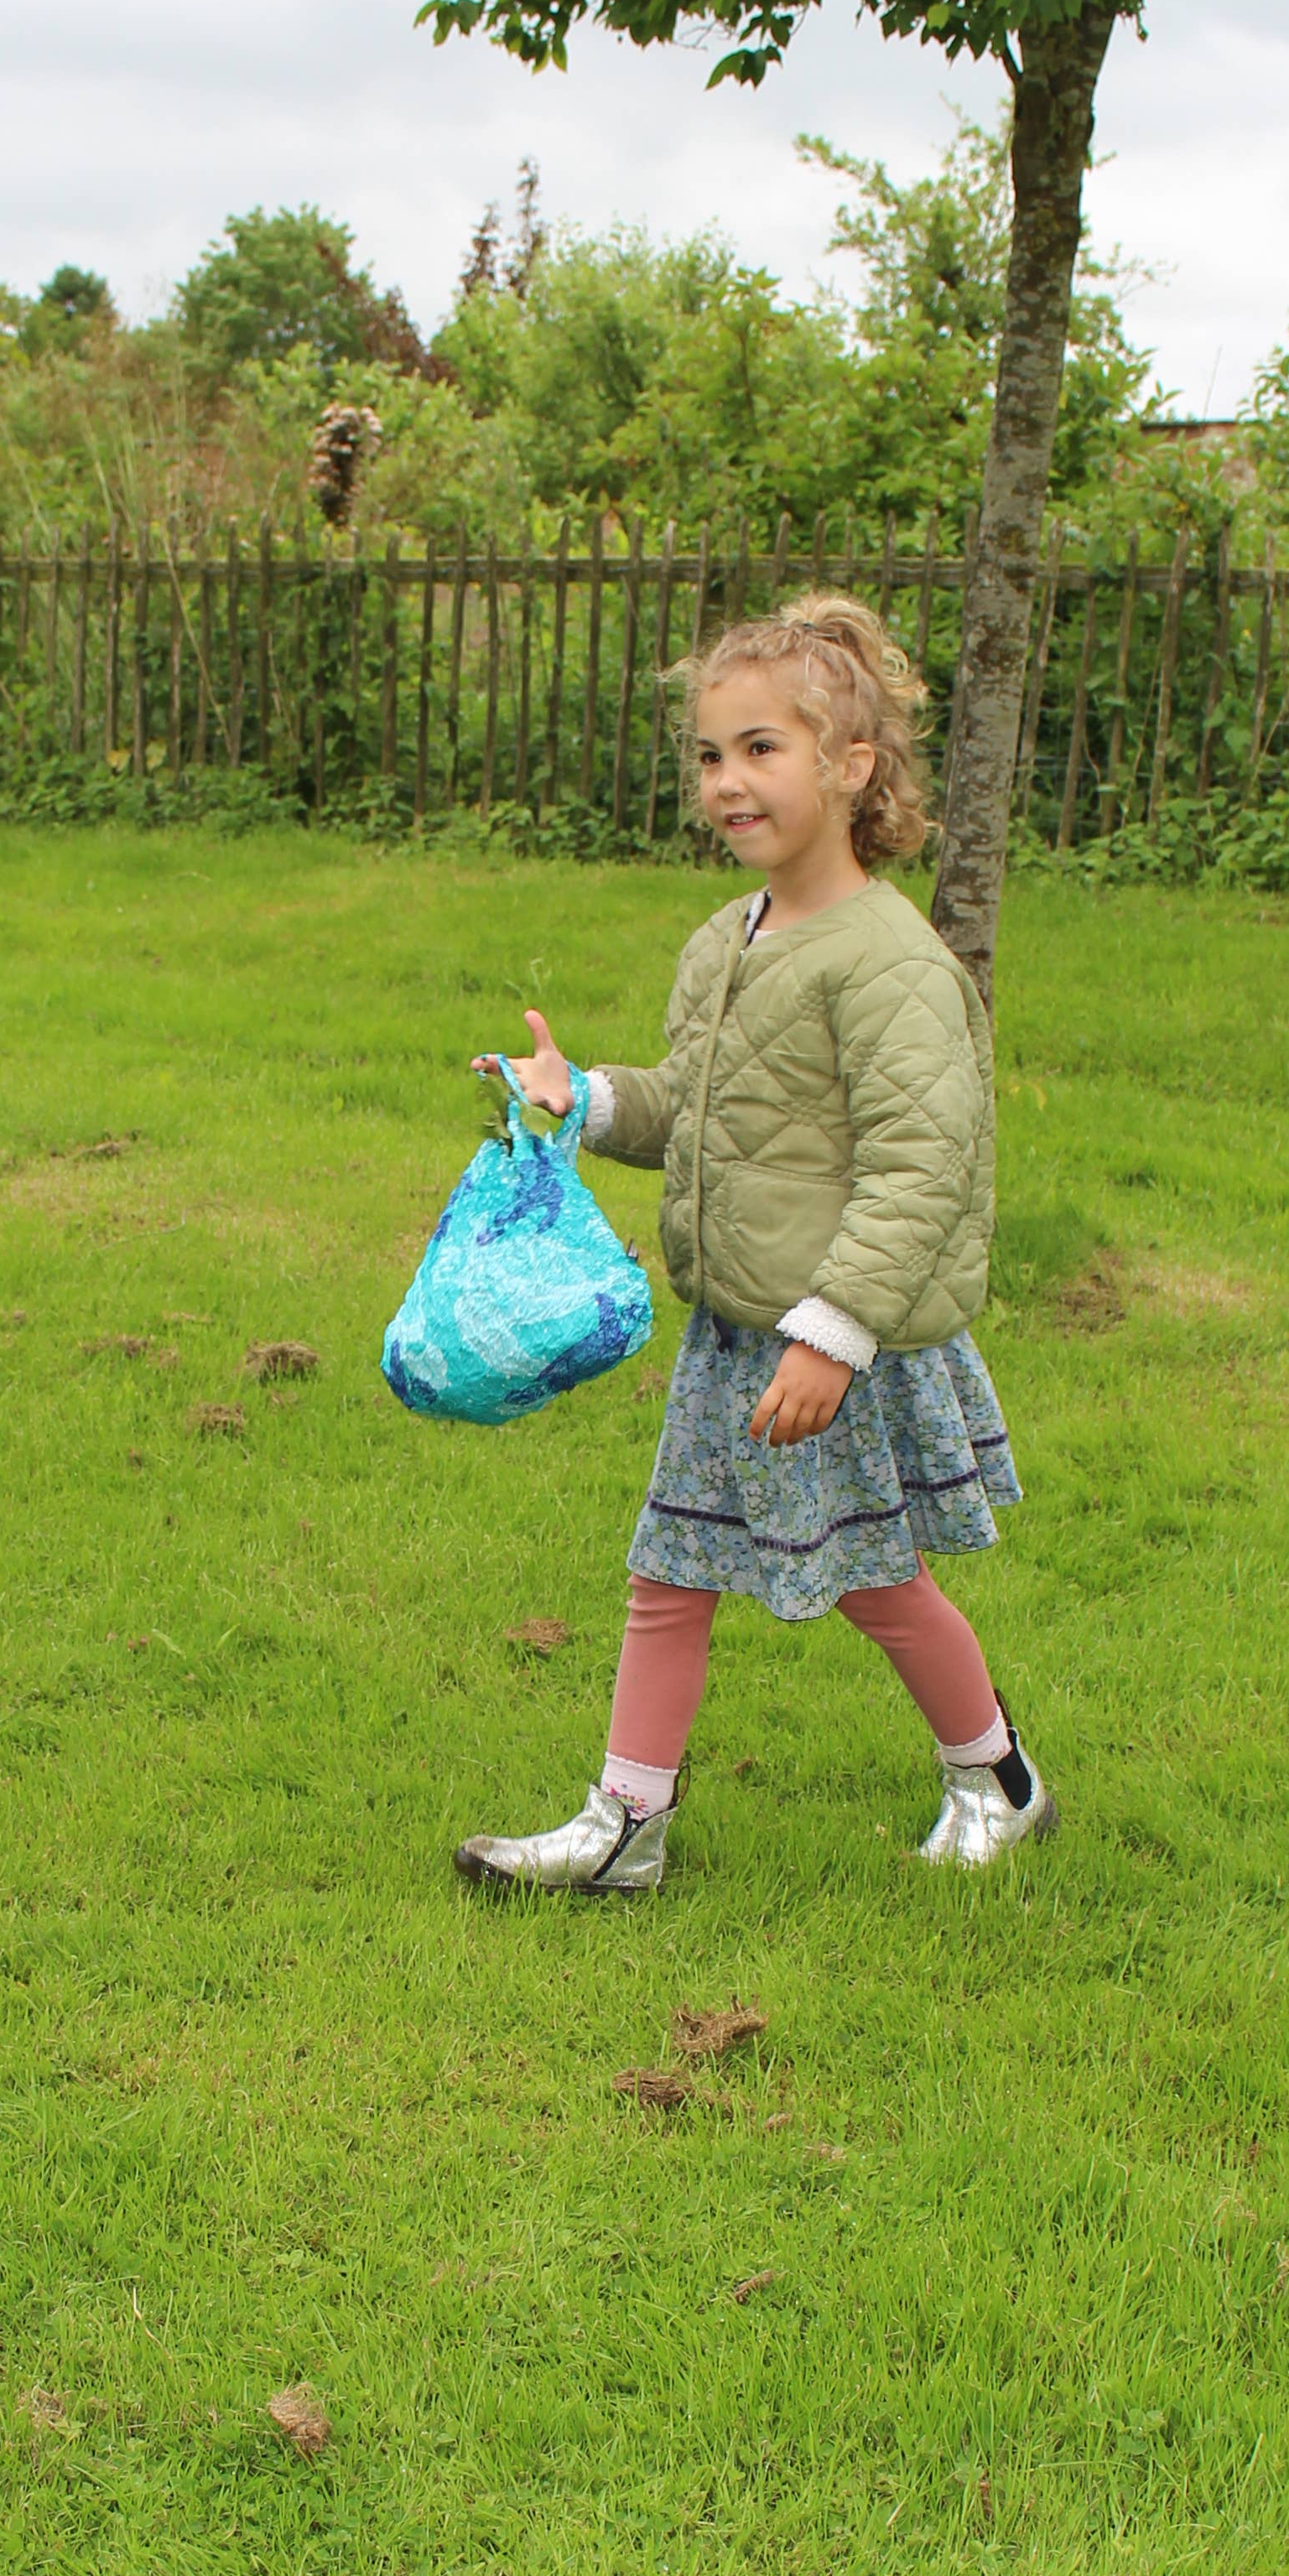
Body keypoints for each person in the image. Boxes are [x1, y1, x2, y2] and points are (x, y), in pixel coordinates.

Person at [457, 592, 1052, 1895]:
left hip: (836, 1338)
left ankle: (995, 1774)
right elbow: (695, 1105)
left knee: (871, 1579)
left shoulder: (888, 961)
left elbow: (919, 1164)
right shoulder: (727, 941)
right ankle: (627, 1826)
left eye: (762, 750)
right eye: (711, 755)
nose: (728, 781)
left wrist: (835, 1335)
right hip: (738, 1333)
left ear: (852, 767)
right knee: (668, 1570)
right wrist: (586, 1097)